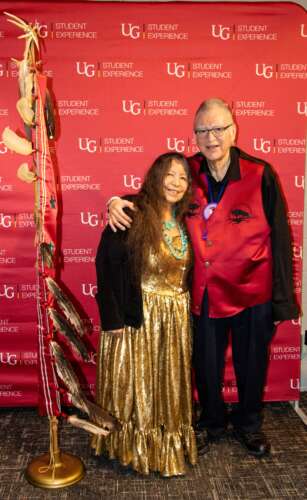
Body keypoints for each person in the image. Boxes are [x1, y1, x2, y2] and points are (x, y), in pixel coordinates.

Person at [107, 98, 299, 458]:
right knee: (206, 366)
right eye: (203, 131)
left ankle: (249, 424)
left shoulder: (261, 173)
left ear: (234, 130)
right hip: (204, 292)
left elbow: (281, 238)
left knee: (252, 362)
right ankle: (211, 422)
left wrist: (281, 300)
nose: (212, 137)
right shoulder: (187, 170)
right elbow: (153, 195)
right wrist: (116, 201)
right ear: (194, 135)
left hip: (253, 292)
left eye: (219, 128)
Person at [93, 152, 198, 476]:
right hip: (139, 319)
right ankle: (134, 449)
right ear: (155, 176)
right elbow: (105, 263)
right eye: (170, 174)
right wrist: (112, 321)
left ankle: (166, 447)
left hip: (175, 320)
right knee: (137, 391)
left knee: (166, 388)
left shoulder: (181, 222)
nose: (176, 182)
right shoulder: (132, 211)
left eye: (183, 177)